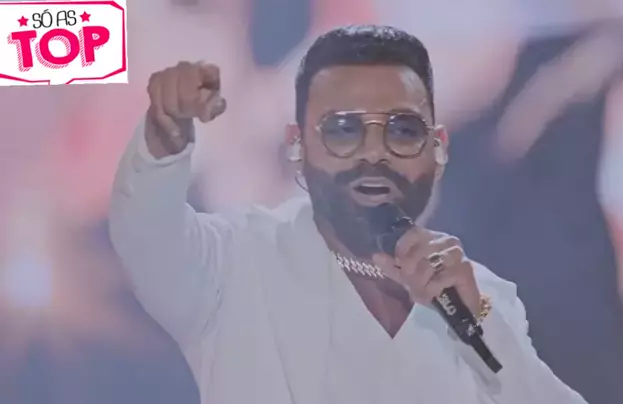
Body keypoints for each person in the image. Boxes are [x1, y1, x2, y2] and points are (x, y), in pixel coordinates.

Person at [109, 25, 587, 404]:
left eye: (402, 129)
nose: (373, 153)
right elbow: (148, 236)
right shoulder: (233, 269)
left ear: (436, 148)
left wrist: (480, 325)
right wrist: (164, 138)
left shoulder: (483, 297)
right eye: (343, 130)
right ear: (298, 145)